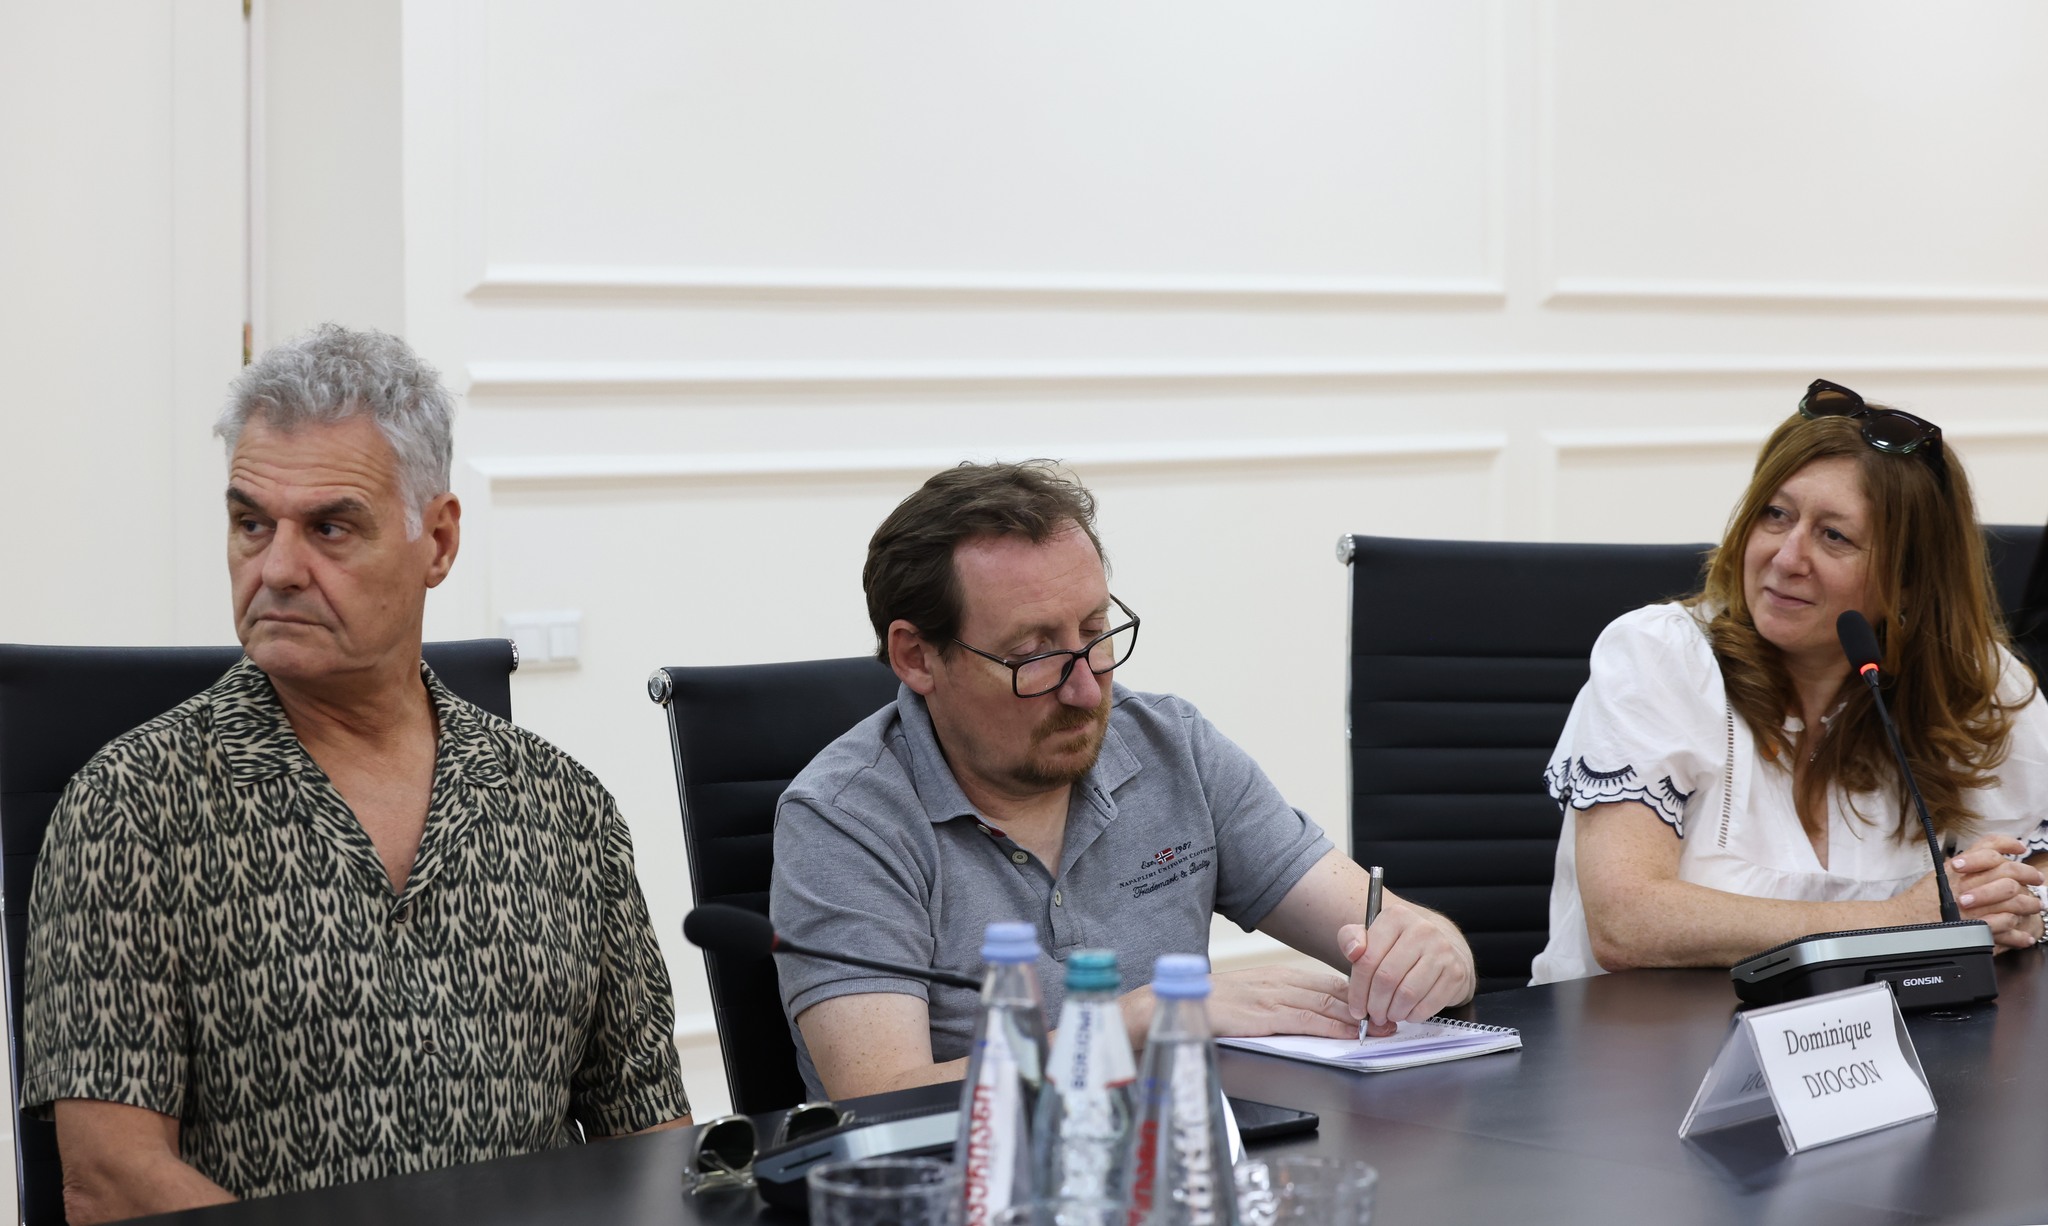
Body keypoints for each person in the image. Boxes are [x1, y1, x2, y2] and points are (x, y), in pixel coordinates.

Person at [22, 325, 690, 1222]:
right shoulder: (134, 807)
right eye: (251, 524)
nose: (277, 568)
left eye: (329, 528)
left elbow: (650, 1140)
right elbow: (112, 1182)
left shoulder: (562, 808)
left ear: (438, 541)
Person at [769, 461, 1476, 1100]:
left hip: (1177, 1158)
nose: (1087, 690)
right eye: (1033, 655)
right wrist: (1148, 1014)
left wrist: (1433, 953)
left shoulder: (1171, 744)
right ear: (917, 657)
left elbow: (1386, 928)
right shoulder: (845, 819)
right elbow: (879, 1095)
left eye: (1095, 633)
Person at [1532, 379, 2048, 985]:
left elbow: (2031, 884)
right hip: (1644, 1038)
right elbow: (1627, 922)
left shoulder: (1978, 686)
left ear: (1908, 579)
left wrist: (2017, 909)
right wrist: (1897, 922)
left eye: (1834, 536)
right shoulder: (1661, 655)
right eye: (1775, 515)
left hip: (1895, 1037)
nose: (1786, 558)